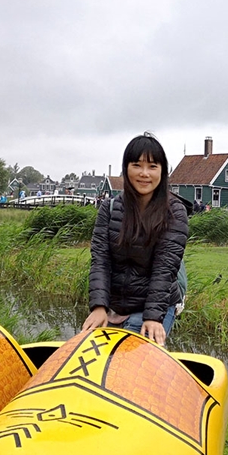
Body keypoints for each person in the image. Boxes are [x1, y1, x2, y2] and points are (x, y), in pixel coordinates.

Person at [81, 133, 189, 346]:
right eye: (137, 165)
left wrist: (152, 317)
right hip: (115, 304)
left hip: (154, 304)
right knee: (90, 353)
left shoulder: (174, 212)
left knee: (132, 360)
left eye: (152, 166)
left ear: (162, 171)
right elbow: (101, 260)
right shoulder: (109, 208)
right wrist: (99, 307)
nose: (144, 174)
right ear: (126, 168)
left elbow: (165, 268)